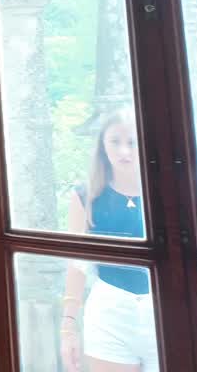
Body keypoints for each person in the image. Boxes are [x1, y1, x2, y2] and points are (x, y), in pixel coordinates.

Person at [60, 109, 154, 372]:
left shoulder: (165, 192)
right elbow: (76, 264)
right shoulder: (86, 196)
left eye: (132, 142)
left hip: (164, 306)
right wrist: (68, 326)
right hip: (110, 311)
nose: (124, 151)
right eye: (115, 142)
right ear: (103, 145)